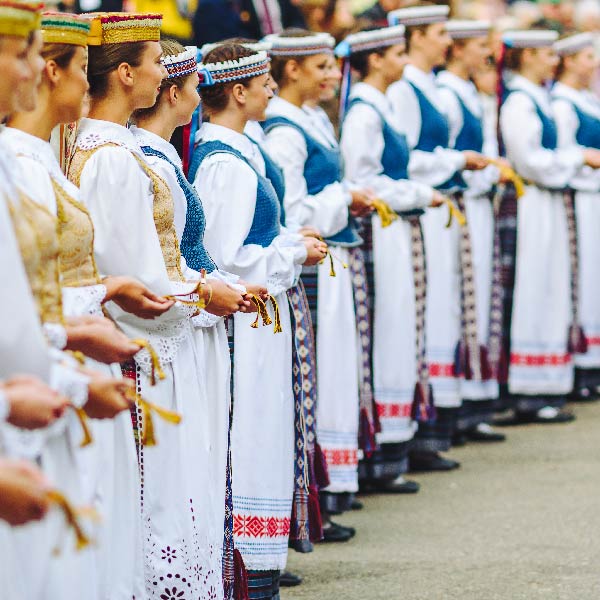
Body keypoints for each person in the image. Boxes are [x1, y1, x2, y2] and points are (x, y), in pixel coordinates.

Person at [67, 13, 224, 598]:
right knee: (159, 497)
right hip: (148, 350)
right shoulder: (109, 157)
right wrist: (204, 295)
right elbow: (133, 284)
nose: (165, 72)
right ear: (126, 72)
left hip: (158, 339)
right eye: (157, 61)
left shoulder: (117, 147)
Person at [190, 42, 327, 599]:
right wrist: (293, 254)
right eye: (263, 80)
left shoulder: (236, 151)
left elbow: (249, 242)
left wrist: (289, 243)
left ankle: (259, 555)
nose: (273, 88)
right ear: (238, 91)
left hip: (258, 312)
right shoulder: (223, 163)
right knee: (248, 430)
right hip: (244, 318)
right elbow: (223, 258)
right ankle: (246, 561)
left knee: (265, 426)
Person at [130, 39, 259, 599]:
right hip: (173, 332)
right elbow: (159, 266)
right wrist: (210, 292)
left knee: (197, 470)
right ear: (174, 92)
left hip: (191, 321)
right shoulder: (148, 158)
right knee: (178, 477)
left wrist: (216, 286)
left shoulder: (161, 154)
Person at [262, 29, 374, 537]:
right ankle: (317, 492)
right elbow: (293, 211)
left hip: (325, 257)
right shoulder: (284, 131)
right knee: (316, 376)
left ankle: (332, 482)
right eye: (323, 66)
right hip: (306, 263)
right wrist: (344, 198)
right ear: (292, 70)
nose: (333, 75)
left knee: (332, 370)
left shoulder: (307, 120)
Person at [338, 24, 447, 492]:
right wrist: (419, 192)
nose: (405, 60)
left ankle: (395, 444)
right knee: (387, 330)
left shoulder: (379, 105)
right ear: (376, 60)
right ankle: (380, 452)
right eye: (398, 53)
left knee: (401, 328)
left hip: (395, 228)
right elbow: (366, 181)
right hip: (379, 231)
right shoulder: (364, 112)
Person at [386, 4, 489, 472]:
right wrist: (455, 162)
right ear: (418, 37)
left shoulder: (429, 86)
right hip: (421, 207)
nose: (447, 42)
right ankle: (424, 424)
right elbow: (406, 159)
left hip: (438, 206)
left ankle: (440, 417)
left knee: (446, 307)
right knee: (427, 312)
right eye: (440, 33)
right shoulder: (407, 88)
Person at [499, 29, 600, 423]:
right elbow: (531, 161)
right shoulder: (520, 103)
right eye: (545, 54)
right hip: (533, 204)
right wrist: (576, 161)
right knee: (535, 287)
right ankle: (531, 387)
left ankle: (548, 382)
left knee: (551, 287)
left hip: (549, 201)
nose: (552, 61)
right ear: (526, 57)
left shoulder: (536, 98)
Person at [437, 20, 506, 444]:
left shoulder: (466, 91)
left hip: (477, 202)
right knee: (459, 298)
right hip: (458, 203)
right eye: (481, 45)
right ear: (459, 50)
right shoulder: (447, 93)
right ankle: (454, 403)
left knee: (476, 297)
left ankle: (472, 398)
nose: (488, 53)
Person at [552, 33, 600, 401]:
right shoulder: (562, 104)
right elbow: (566, 153)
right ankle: (582, 363)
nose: (594, 63)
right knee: (583, 276)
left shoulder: (584, 99)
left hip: (593, 195)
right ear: (568, 61)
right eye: (587, 57)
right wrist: (586, 159)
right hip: (581, 197)